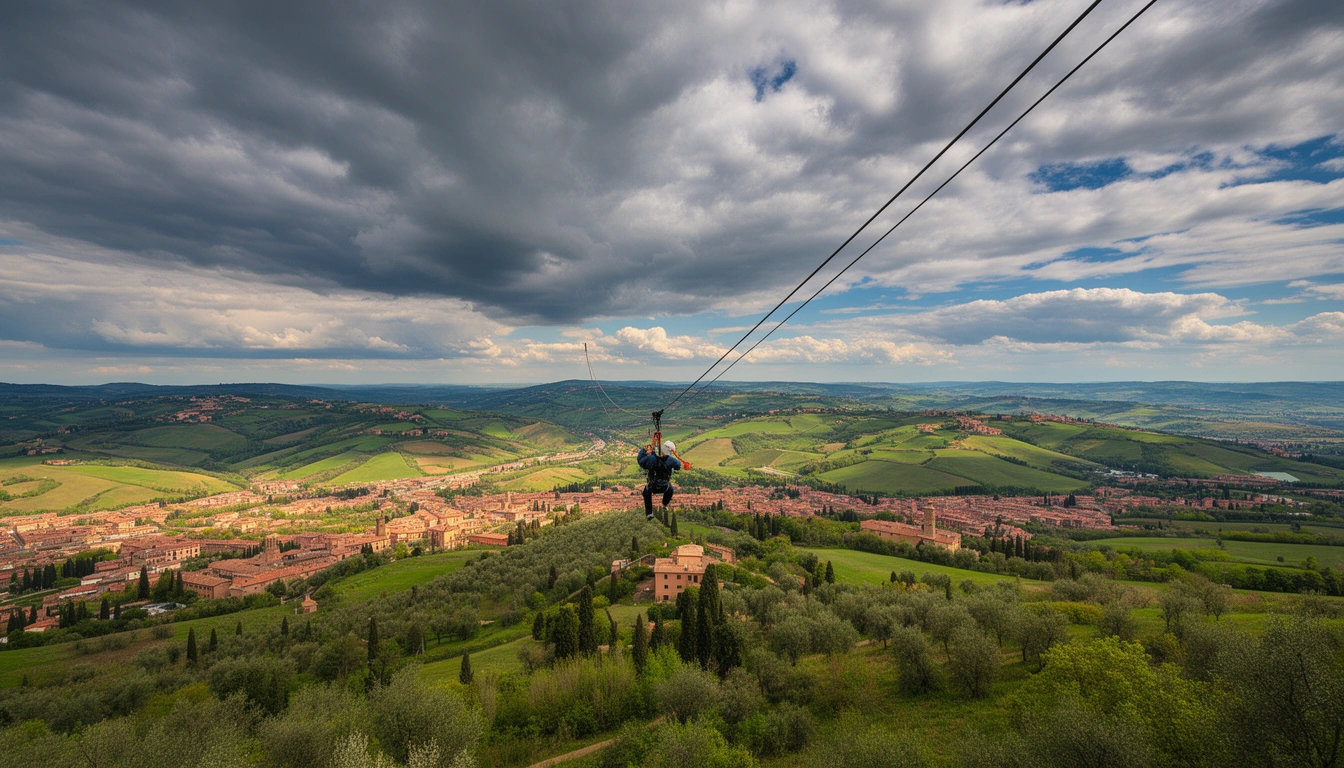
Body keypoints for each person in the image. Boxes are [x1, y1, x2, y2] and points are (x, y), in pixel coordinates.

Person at [638, 440, 682, 520]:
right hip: (665, 486)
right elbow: (678, 466)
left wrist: (643, 451)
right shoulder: (671, 460)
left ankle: (649, 513)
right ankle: (665, 504)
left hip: (653, 486)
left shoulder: (652, 458)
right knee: (671, 489)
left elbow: (641, 462)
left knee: (646, 492)